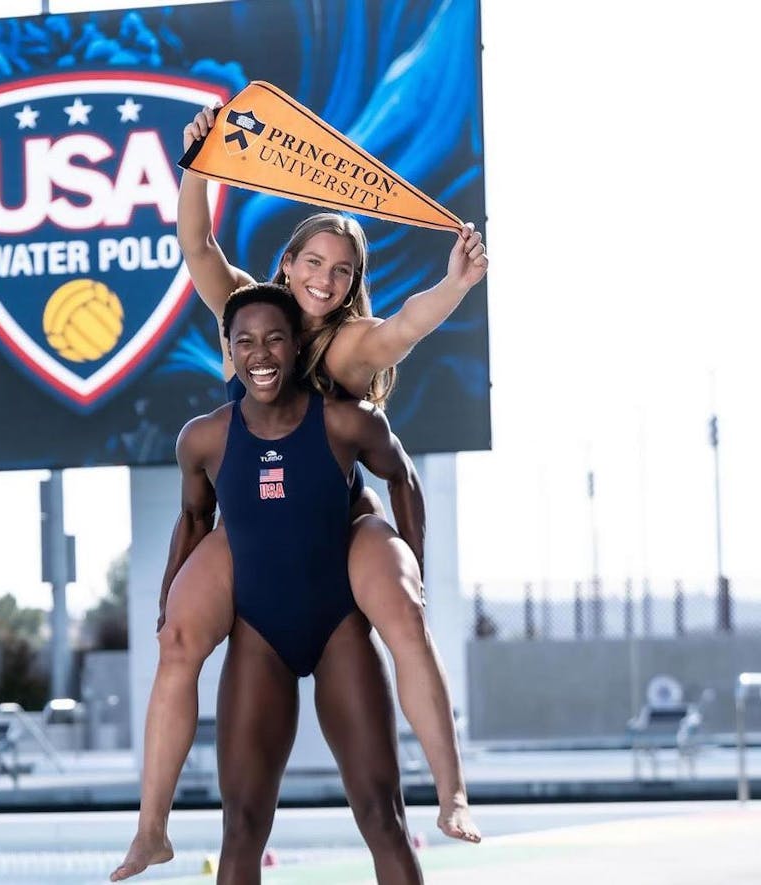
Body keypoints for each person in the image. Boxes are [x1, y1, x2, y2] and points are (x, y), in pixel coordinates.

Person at [110, 107, 486, 880]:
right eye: (313, 261)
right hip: (254, 522)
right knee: (177, 638)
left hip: (334, 525)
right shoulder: (253, 315)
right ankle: (151, 826)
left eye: (340, 270)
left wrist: (455, 282)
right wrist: (199, 168)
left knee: (402, 625)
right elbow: (197, 244)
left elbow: (405, 328)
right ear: (286, 264)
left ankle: (452, 791)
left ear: (352, 284)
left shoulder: (347, 349)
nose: (323, 278)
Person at [162, 283, 426, 883]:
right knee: (242, 826)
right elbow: (195, 518)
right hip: (258, 634)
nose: (260, 354)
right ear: (228, 350)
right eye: (245, 341)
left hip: (340, 628)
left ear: (296, 343)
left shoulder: (342, 422)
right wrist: (168, 597)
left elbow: (403, 477)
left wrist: (414, 569)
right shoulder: (204, 438)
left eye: (275, 338)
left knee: (383, 816)